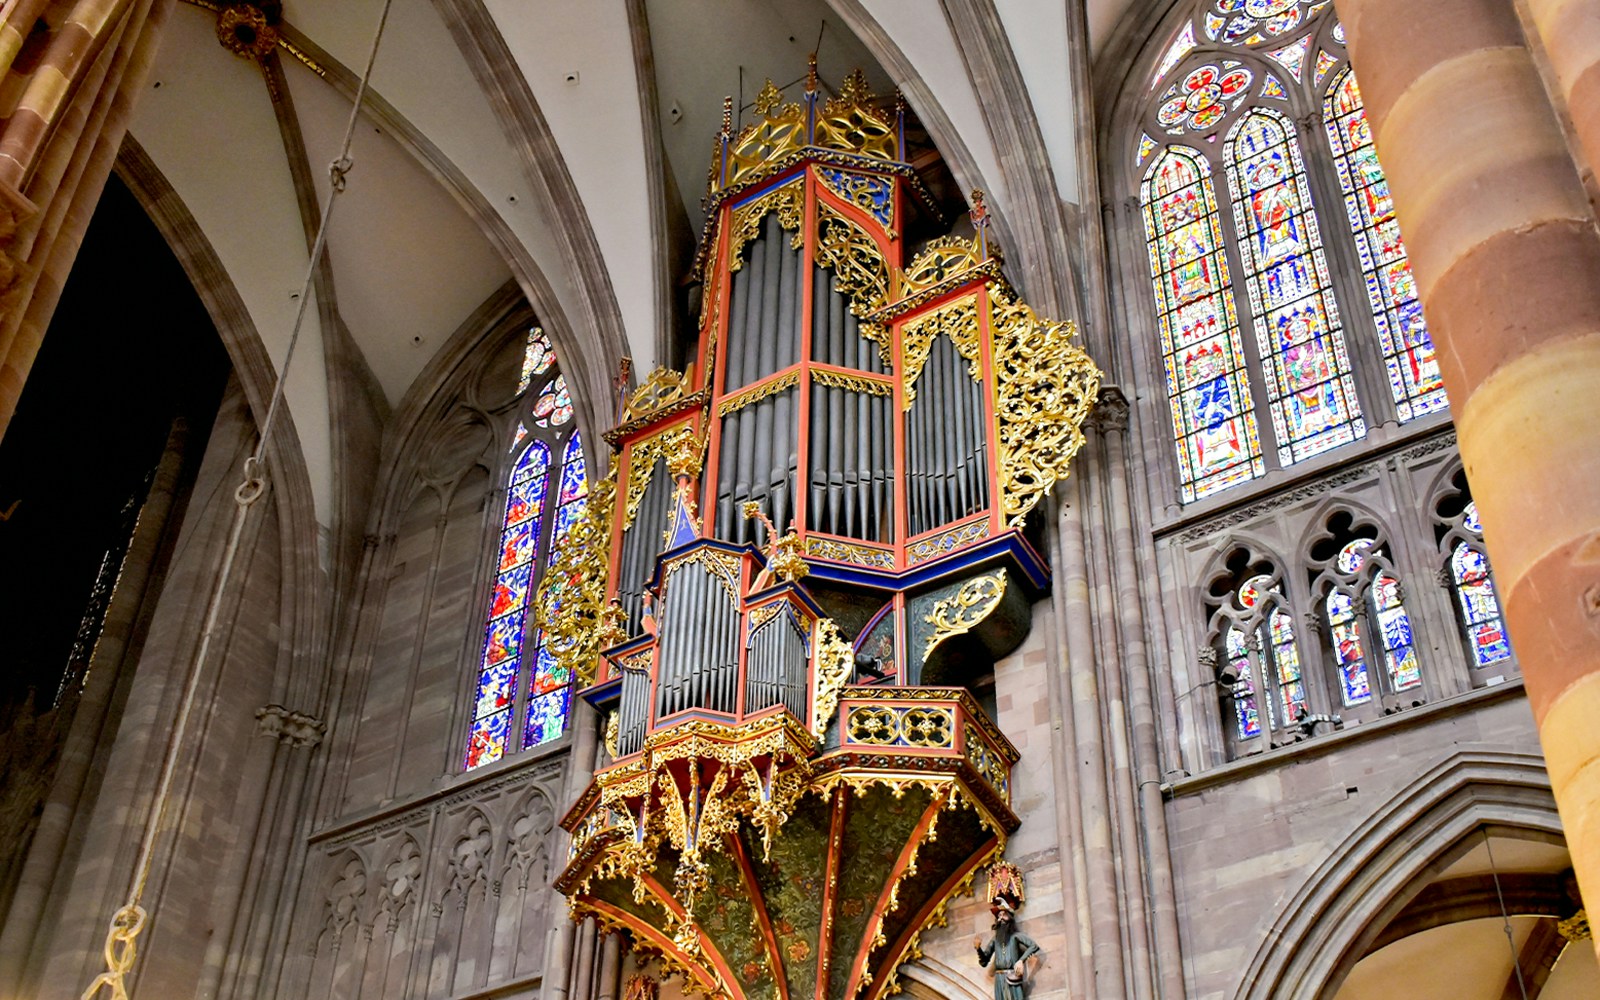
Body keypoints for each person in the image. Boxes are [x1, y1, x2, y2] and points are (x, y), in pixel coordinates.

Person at [973, 897, 1041, 999]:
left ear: (1009, 916)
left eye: (1003, 914)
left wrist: (1021, 961)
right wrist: (978, 949)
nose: (1001, 918)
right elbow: (984, 961)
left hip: (1012, 976)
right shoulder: (995, 940)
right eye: (999, 916)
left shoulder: (1015, 936)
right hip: (999, 979)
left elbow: (1033, 946)